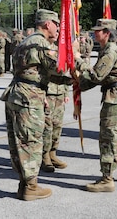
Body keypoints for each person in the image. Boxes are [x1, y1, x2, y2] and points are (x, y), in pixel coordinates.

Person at [0, 9, 72, 201]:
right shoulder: (40, 43)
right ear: (48, 24)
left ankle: (24, 184)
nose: (57, 28)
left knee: (19, 141)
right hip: (29, 97)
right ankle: (31, 187)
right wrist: (80, 74)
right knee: (31, 140)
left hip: (19, 94)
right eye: (56, 24)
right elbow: (59, 69)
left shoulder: (26, 41)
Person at [73, 18, 117, 192]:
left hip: (116, 99)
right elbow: (97, 79)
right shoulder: (109, 49)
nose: (95, 33)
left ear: (106, 33)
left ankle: (107, 179)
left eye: (98, 30)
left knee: (108, 138)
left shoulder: (110, 51)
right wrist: (79, 83)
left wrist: (78, 60)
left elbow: (96, 76)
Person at [42, 32, 70, 172]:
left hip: (59, 93)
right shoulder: (44, 49)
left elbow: (65, 73)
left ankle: (53, 153)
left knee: (58, 125)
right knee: (47, 126)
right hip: (48, 92)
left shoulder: (60, 50)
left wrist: (65, 92)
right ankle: (44, 156)